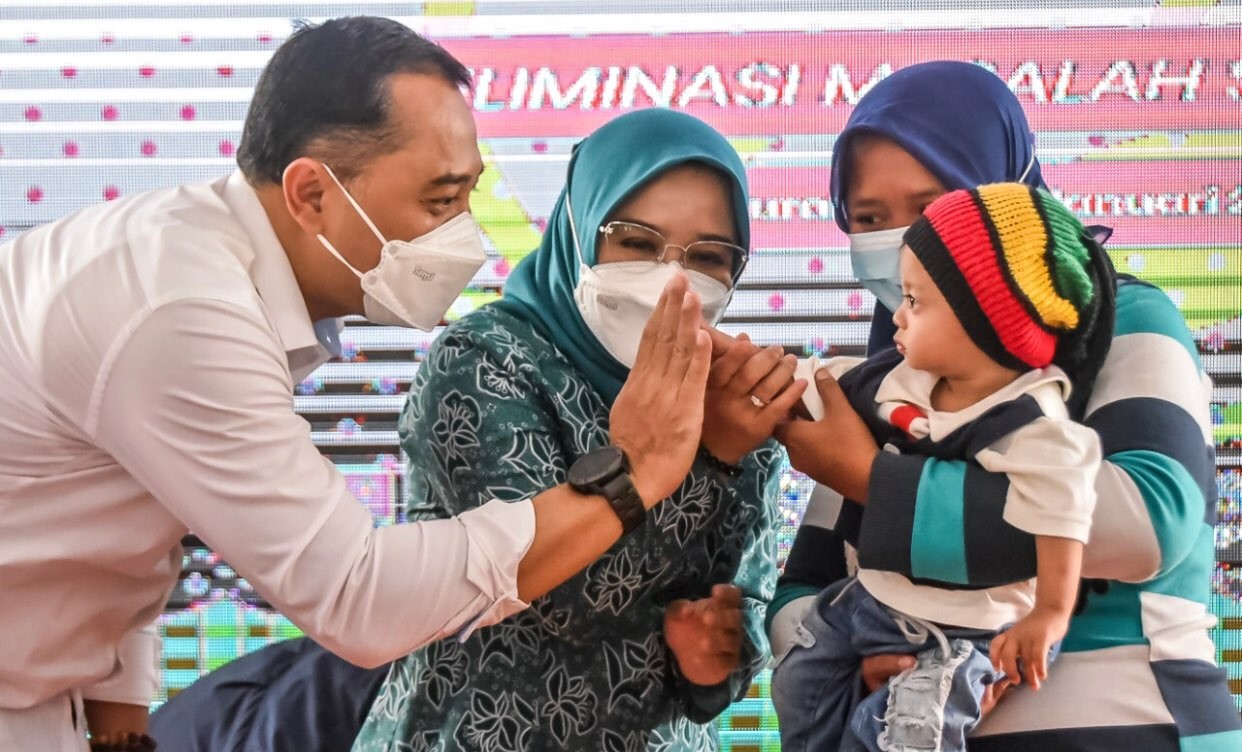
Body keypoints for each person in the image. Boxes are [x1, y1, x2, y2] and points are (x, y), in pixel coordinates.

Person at [0, 18, 720, 750]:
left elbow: (124, 520)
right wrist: (632, 475)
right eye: (440, 202)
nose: (467, 235)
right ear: (311, 193)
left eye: (470, 196)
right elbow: (358, 597)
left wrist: (119, 727)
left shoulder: (192, 269)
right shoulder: (185, 310)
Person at [768, 60, 1241, 750]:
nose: (905, 242)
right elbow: (802, 595)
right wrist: (869, 652)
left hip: (1131, 724)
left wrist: (875, 482)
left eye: (933, 209)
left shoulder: (1123, 321)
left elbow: (1151, 519)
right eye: (869, 218)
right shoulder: (883, 381)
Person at [353, 108, 805, 752]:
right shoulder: (486, 363)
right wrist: (712, 458)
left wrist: (716, 664)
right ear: (579, 233)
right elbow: (552, 594)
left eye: (708, 256)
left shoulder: (732, 396)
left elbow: (745, 606)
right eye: (636, 242)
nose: (673, 279)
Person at [770, 182, 1114, 752]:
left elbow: (1062, 517)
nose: (897, 317)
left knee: (910, 731)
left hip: (965, 630)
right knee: (799, 683)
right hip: (872, 601)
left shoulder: (1031, 421)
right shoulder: (908, 378)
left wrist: (1049, 614)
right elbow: (822, 379)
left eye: (916, 301)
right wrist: (755, 369)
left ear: (986, 318)